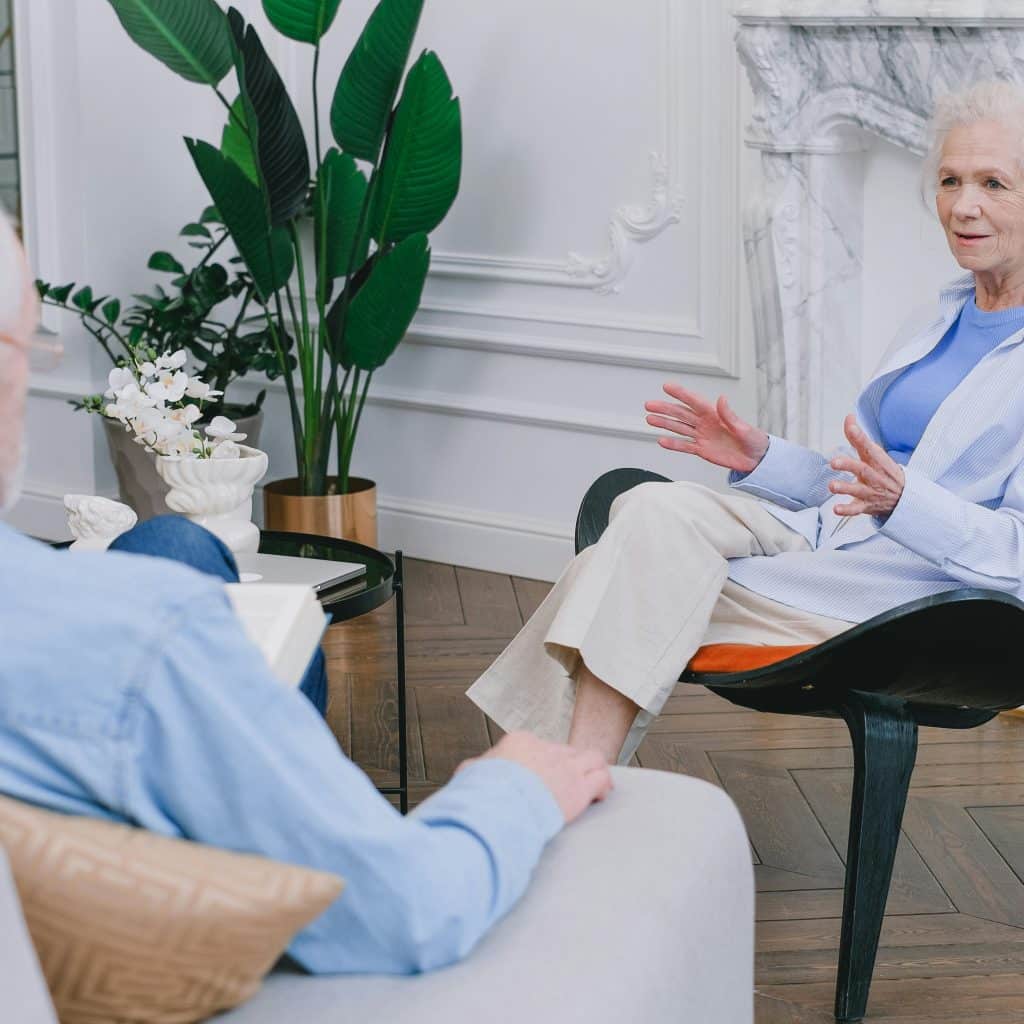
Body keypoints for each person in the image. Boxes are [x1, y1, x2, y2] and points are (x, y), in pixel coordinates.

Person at [0, 212, 614, 974]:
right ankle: (319, 797)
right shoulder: (142, 640)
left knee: (176, 544)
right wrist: (511, 789)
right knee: (257, 616)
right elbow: (406, 912)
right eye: (34, 346)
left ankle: (306, 777)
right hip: (255, 932)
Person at [469, 79, 1024, 764]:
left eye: (994, 184)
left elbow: (1013, 552)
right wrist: (761, 455)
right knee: (647, 509)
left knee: (624, 569)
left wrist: (908, 504)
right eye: (950, 180)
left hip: (922, 600)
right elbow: (856, 484)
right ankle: (564, 779)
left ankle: (545, 776)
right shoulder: (936, 320)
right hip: (829, 537)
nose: (964, 206)